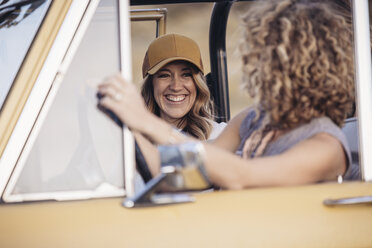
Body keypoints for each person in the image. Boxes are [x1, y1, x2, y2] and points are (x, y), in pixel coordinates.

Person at [98, 0, 358, 189]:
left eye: (277, 57)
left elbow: (240, 175)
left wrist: (146, 122)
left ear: (318, 68)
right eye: (262, 54)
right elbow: (188, 171)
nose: (261, 66)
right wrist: (125, 121)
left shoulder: (328, 147)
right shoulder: (254, 118)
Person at [140, 33, 226, 140]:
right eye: (164, 75)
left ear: (197, 84)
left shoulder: (221, 135)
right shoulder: (129, 139)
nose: (176, 87)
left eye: (186, 75)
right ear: (150, 84)